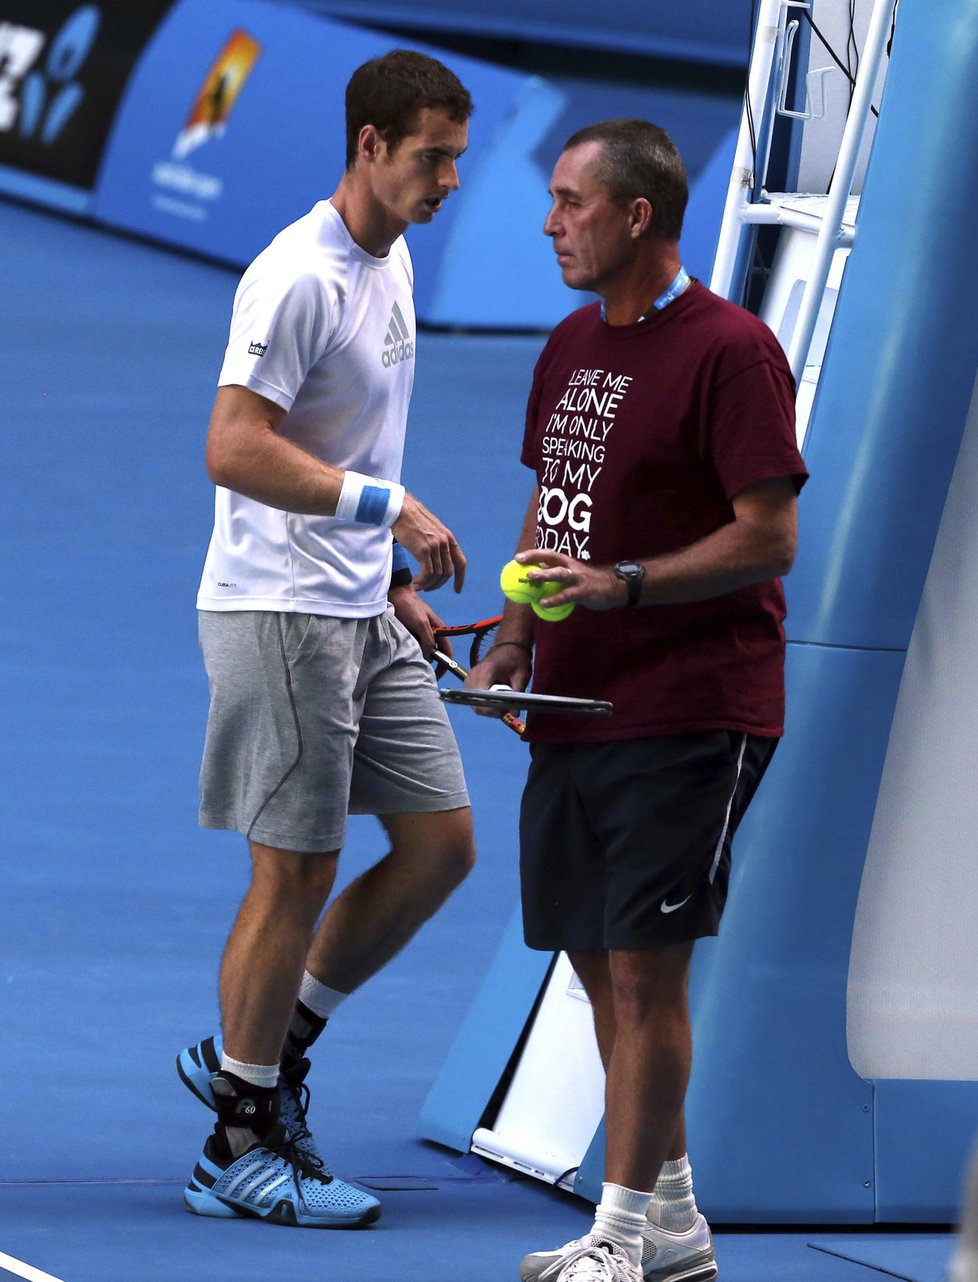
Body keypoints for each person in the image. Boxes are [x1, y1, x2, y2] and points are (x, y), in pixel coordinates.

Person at [468, 119, 808, 1282]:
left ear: (638, 216)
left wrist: (624, 589)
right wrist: (516, 632)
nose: (551, 220)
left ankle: (618, 1238)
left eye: (570, 200)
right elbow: (551, 505)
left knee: (640, 967)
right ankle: (669, 1218)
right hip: (572, 700)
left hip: (690, 703)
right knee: (581, 945)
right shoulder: (568, 344)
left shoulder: (732, 350)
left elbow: (770, 537)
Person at [178, 49, 476, 1230]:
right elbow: (234, 447)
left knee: (440, 845)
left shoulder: (392, 263)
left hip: (362, 604)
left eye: (457, 158)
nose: (450, 180)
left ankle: (261, 1051)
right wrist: (381, 506)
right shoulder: (295, 276)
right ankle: (237, 1142)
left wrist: (392, 572)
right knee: (292, 870)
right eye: (433, 158)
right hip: (279, 610)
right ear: (371, 146)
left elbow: (343, 432)